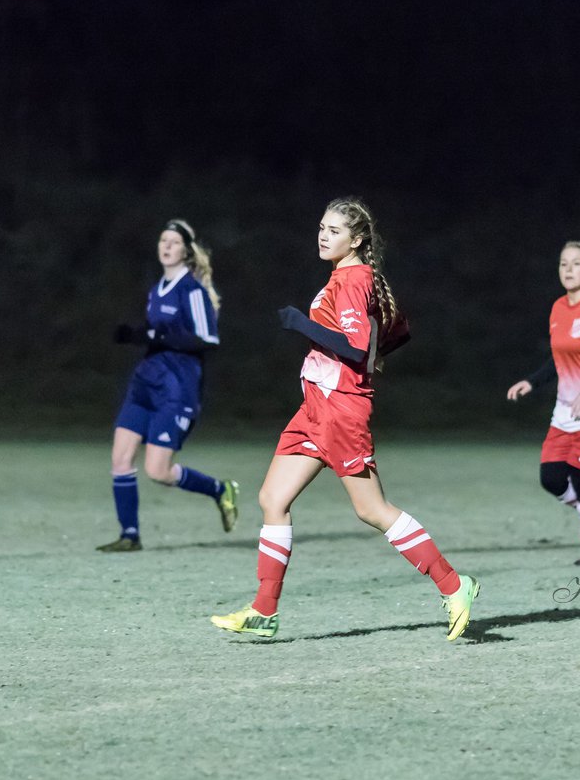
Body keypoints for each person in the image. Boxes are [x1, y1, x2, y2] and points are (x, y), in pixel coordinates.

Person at [210, 197, 479, 641]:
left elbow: (354, 348)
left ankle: (455, 586)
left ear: (356, 240)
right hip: (315, 407)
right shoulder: (348, 276)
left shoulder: (354, 279)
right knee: (273, 498)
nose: (323, 235)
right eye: (321, 227)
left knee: (371, 509)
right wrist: (372, 353)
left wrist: (300, 323)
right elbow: (398, 330)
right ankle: (264, 611)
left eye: (334, 231)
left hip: (339, 408)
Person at [98, 219, 240, 552]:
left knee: (158, 471)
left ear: (186, 251)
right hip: (144, 385)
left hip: (176, 390)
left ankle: (221, 490)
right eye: (163, 240)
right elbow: (156, 335)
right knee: (120, 459)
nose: (166, 246)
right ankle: (129, 535)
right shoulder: (156, 289)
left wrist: (160, 336)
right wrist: (136, 335)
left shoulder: (192, 291)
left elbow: (207, 339)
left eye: (174, 242)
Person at [507, 241, 580, 565]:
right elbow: (559, 359)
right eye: (564, 264)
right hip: (565, 410)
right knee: (552, 479)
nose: (569, 270)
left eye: (577, 264)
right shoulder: (559, 307)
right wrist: (532, 381)